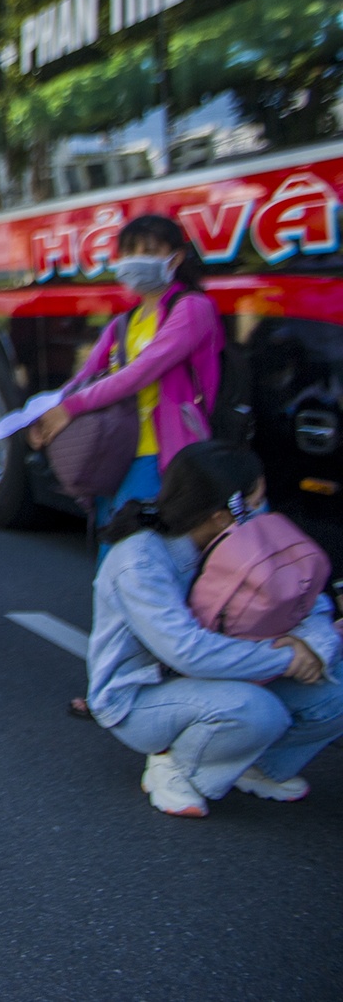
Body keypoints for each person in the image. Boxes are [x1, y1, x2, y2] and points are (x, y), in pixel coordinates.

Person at [89, 441, 343, 817]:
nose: (262, 510)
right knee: (257, 711)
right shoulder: (140, 561)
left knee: (335, 687)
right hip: (141, 698)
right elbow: (186, 651)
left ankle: (255, 765)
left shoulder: (245, 538)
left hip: (234, 673)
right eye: (256, 501)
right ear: (222, 515)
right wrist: (288, 657)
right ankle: (176, 764)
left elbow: (312, 601)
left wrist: (314, 648)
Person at [28, 214, 223, 543]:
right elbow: (86, 376)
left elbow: (139, 373)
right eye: (130, 252)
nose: (136, 261)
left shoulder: (192, 309)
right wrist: (44, 415)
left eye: (148, 252)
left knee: (137, 552)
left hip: (161, 453)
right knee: (115, 552)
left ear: (174, 259)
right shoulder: (126, 321)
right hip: (116, 448)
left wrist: (71, 408)